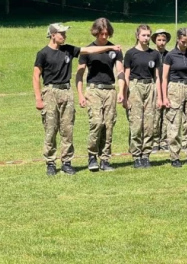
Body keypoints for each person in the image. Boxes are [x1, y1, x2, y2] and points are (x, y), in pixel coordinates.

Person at [33, 23, 121, 176]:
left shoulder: (68, 50)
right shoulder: (43, 53)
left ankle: (67, 162)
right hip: (50, 91)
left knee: (67, 129)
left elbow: (89, 50)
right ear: (53, 34)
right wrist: (38, 98)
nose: (64, 36)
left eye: (64, 33)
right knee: (51, 129)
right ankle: (50, 163)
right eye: (61, 33)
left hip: (66, 91)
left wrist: (109, 48)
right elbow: (35, 76)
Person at [75, 18, 126, 172]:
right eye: (101, 34)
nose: (104, 37)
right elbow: (79, 74)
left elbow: (120, 71)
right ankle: (92, 156)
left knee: (108, 125)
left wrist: (121, 90)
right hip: (93, 90)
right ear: (96, 33)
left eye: (106, 34)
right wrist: (80, 94)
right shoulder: (87, 50)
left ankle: (105, 159)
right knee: (97, 123)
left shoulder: (115, 49)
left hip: (110, 89)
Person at [162, 28, 187, 167]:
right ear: (178, 39)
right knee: (175, 124)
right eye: (183, 41)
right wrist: (164, 97)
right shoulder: (171, 55)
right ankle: (174, 156)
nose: (186, 44)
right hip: (175, 88)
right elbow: (164, 77)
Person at [123, 25, 161, 169]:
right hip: (135, 87)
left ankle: (146, 155)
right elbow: (126, 76)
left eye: (148, 35)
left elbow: (157, 77)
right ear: (137, 36)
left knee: (150, 124)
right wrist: (124, 95)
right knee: (136, 123)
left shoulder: (155, 54)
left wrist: (159, 96)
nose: (146, 38)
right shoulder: (131, 53)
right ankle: (136, 155)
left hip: (150, 86)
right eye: (143, 35)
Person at [151, 29, 171, 153]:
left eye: (164, 40)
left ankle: (164, 141)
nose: (162, 42)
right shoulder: (151, 54)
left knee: (166, 115)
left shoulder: (169, 55)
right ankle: (154, 142)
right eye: (159, 40)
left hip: (168, 86)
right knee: (155, 115)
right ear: (154, 41)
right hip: (154, 86)